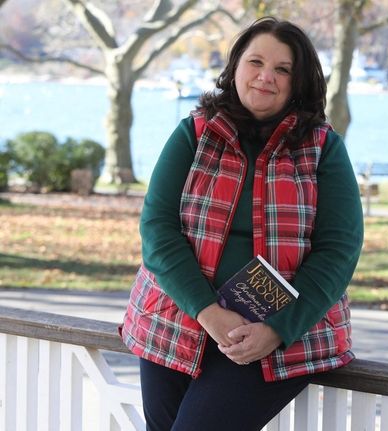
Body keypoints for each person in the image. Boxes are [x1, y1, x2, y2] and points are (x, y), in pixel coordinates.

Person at [120, 16, 364, 431]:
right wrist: (209, 313)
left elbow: (339, 250)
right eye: (256, 62)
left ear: (299, 81)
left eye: (283, 69)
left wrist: (276, 329)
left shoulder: (323, 148)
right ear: (235, 67)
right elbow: (158, 228)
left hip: (274, 339)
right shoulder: (194, 134)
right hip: (176, 322)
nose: (266, 77)